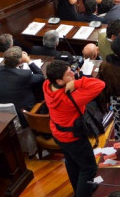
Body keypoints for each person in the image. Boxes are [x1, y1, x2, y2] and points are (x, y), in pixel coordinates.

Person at [43, 60, 105, 197]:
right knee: (89, 168)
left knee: (72, 163)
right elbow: (100, 84)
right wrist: (77, 82)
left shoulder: (47, 85)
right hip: (73, 137)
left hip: (57, 132)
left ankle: (80, 189)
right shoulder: (71, 97)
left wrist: (71, 80)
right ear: (59, 81)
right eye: (68, 73)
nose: (72, 73)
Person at [0, 46, 44, 124]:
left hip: (1, 110)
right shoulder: (24, 75)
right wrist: (28, 60)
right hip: (22, 113)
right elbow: (41, 76)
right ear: (21, 61)